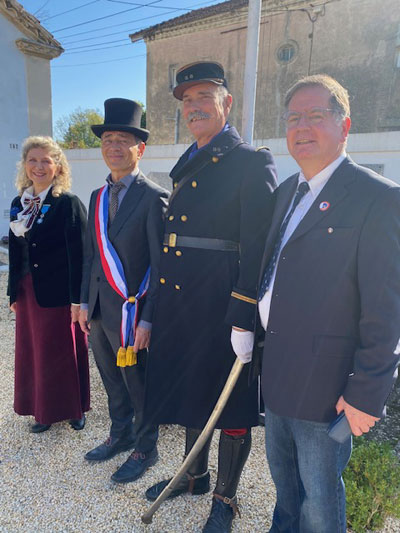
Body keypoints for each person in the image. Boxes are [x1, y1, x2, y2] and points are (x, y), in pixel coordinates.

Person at [254, 74, 400, 532]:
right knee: (284, 485)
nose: (302, 126)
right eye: (294, 117)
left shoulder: (378, 198)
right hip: (277, 371)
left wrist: (367, 391)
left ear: (345, 126)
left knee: (319, 498)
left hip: (327, 386)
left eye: (316, 115)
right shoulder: (286, 193)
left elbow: (387, 306)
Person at [144, 62, 277, 532]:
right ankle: (193, 477)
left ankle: (225, 497)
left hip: (222, 301)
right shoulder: (191, 158)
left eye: (204, 96)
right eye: (186, 100)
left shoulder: (248, 160)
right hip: (182, 298)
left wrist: (244, 312)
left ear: (227, 102)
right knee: (191, 388)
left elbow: (259, 244)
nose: (193, 106)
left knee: (230, 398)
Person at [79, 98, 168, 483]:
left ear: (140, 149)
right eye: (108, 139)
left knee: (140, 384)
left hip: (133, 314)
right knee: (110, 379)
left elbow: (162, 269)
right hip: (99, 309)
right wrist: (82, 302)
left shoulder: (154, 197)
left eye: (123, 140)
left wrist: (149, 318)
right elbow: (89, 257)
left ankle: (146, 448)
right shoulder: (97, 198)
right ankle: (120, 433)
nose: (114, 147)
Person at [8, 136, 90, 434]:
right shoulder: (20, 202)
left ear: (58, 166)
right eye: (33, 160)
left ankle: (75, 408)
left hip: (60, 294)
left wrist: (77, 299)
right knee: (35, 352)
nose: (39, 166)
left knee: (64, 351)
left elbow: (79, 254)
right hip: (28, 291)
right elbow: (16, 251)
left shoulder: (67, 203)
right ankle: (42, 410)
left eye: (46, 160)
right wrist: (11, 291)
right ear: (25, 165)